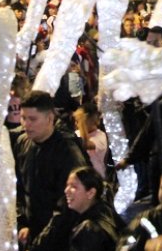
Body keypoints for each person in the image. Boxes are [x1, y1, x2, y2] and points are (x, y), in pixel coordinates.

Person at [15, 90, 89, 246]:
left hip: (60, 237)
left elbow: (70, 205)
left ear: (49, 118)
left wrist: (43, 239)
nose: (26, 124)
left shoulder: (68, 153)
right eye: (23, 118)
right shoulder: (22, 143)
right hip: (32, 233)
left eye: (32, 119)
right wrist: (22, 223)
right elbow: (19, 188)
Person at [29, 167, 122, 251]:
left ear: (91, 193)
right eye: (67, 185)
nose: (66, 191)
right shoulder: (105, 212)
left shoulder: (90, 230)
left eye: (74, 187)